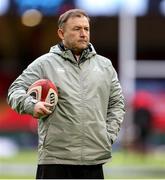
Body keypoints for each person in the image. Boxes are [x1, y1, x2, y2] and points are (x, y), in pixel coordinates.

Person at [7, 9, 125, 179]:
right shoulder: (44, 64)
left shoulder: (105, 66)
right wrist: (32, 105)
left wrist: (108, 136)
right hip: (55, 160)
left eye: (86, 29)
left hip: (93, 159)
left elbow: (117, 103)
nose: (83, 34)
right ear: (61, 33)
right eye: (77, 29)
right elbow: (14, 90)